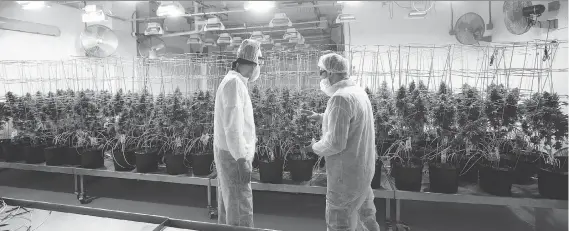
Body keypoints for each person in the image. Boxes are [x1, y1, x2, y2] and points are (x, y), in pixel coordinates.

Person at [301, 53, 381, 231]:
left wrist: (313, 148)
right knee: (366, 216)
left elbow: (335, 143)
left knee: (339, 222)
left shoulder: (339, 99)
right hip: (363, 169)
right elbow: (351, 121)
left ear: (330, 73)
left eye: (321, 73)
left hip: (346, 176)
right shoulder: (358, 92)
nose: (321, 78)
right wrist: (320, 117)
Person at [213, 39, 262, 227]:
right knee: (239, 205)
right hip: (234, 156)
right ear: (252, 63)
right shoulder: (233, 84)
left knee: (230, 202)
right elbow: (233, 128)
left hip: (229, 153)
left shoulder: (235, 82)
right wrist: (242, 159)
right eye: (258, 62)